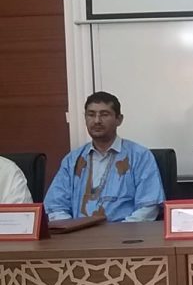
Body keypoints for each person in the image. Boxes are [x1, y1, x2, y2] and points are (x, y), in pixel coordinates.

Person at [44, 92, 165, 222]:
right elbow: (55, 206)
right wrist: (71, 229)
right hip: (78, 233)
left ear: (119, 119)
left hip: (126, 232)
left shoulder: (140, 156)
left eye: (104, 114)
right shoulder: (72, 160)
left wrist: (120, 232)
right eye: (91, 115)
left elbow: (148, 208)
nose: (97, 121)